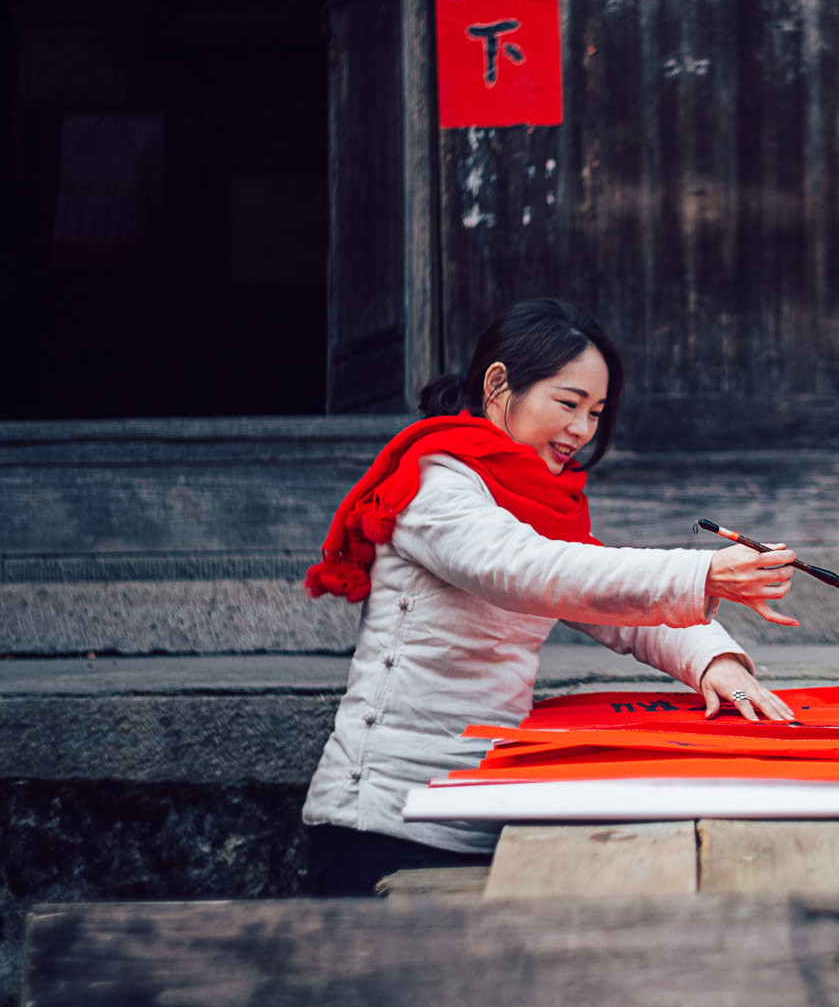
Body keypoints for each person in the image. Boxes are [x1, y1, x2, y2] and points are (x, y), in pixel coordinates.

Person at [301, 299, 799, 896]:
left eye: (595, 412)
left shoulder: (533, 499)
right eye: (567, 403)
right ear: (497, 385)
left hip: (485, 804)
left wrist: (715, 661)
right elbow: (529, 570)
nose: (582, 430)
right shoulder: (435, 482)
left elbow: (614, 607)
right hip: (383, 819)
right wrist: (703, 575)